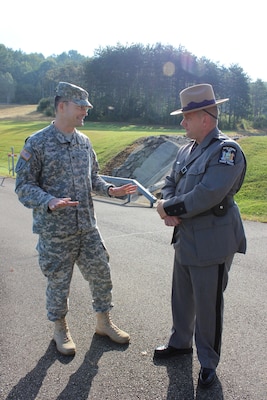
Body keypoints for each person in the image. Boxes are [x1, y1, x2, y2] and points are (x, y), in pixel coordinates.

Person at [15, 81, 137, 356]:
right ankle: (60, 329)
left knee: (101, 273)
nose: (85, 112)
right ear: (62, 106)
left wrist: (110, 189)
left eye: (86, 107)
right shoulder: (37, 143)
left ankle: (103, 323)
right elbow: (23, 186)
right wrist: (49, 201)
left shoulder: (84, 142)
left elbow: (93, 177)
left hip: (87, 228)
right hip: (56, 233)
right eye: (81, 107)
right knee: (59, 282)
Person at [154, 84, 246, 388]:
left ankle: (208, 362)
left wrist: (166, 208)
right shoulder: (186, 150)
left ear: (205, 118)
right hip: (186, 235)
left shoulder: (226, 151)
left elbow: (207, 194)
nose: (182, 123)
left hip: (213, 239)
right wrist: (168, 206)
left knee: (208, 305)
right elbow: (169, 182)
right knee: (181, 298)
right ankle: (180, 343)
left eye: (186, 117)